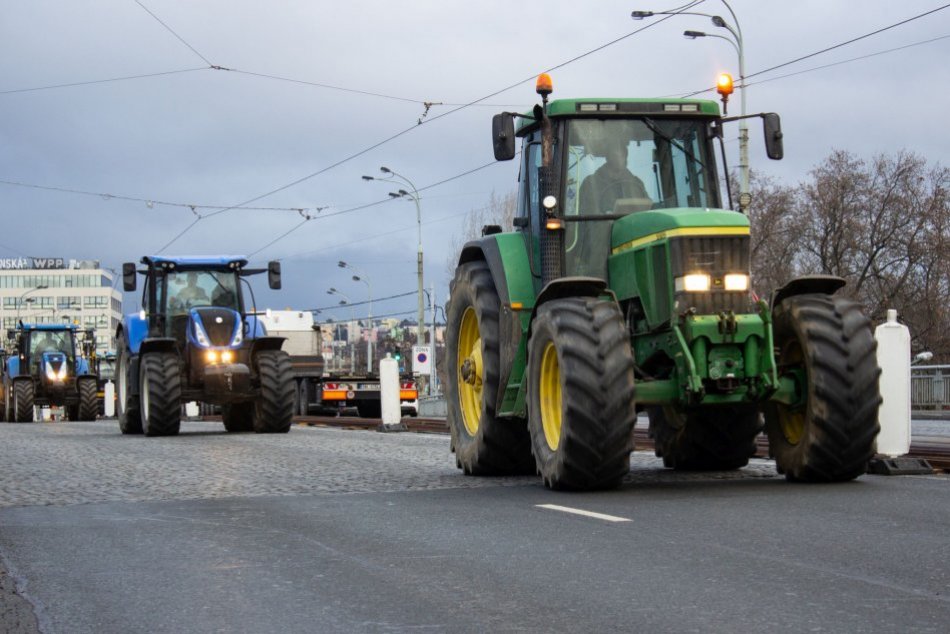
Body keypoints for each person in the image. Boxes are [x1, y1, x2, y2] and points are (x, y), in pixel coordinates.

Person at [578, 140, 650, 215]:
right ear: (607, 158)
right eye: (615, 155)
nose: (619, 159)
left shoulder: (637, 184)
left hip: (634, 226)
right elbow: (586, 216)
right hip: (605, 226)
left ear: (626, 158)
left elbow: (647, 210)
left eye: (622, 155)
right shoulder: (590, 184)